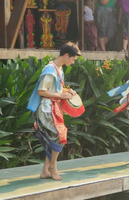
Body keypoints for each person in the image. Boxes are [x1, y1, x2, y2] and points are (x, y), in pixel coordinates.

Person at [27, 42, 81, 180]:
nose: (73, 62)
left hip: (52, 108)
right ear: (66, 55)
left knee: (54, 138)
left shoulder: (59, 68)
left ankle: (46, 170)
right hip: (45, 109)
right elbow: (41, 91)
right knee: (59, 137)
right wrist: (60, 95)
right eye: (73, 59)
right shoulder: (50, 71)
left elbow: (53, 89)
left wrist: (66, 91)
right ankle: (53, 168)